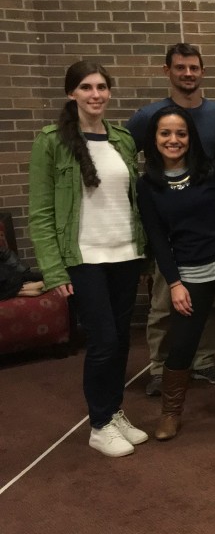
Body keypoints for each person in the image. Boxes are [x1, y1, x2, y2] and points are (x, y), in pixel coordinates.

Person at [28, 61, 148, 457]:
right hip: (85, 258)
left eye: (101, 87)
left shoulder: (123, 139)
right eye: (86, 87)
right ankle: (99, 424)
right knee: (103, 342)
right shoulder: (51, 141)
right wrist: (53, 268)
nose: (95, 94)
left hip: (126, 253)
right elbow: (41, 211)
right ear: (71, 94)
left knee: (121, 342)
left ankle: (114, 412)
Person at [127, 43, 215, 396]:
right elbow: (123, 159)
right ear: (167, 70)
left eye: (194, 67)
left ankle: (204, 361)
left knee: (210, 305)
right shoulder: (147, 117)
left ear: (202, 72)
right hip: (172, 231)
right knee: (166, 302)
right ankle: (159, 366)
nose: (187, 73)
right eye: (180, 67)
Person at [136, 106, 215, 440]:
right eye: (165, 133)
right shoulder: (148, 186)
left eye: (181, 133)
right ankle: (170, 413)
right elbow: (159, 241)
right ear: (154, 138)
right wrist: (175, 283)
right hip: (190, 273)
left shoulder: (210, 171)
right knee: (182, 344)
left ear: (190, 137)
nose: (173, 140)